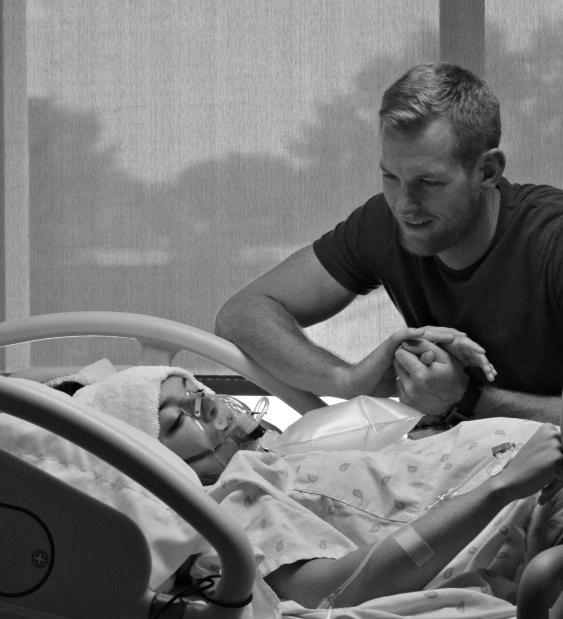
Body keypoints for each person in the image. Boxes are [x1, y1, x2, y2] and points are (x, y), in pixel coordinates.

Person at [55, 361, 563, 613]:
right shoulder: (232, 500)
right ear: (151, 460)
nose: (204, 404)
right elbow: (336, 589)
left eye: (193, 389)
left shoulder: (285, 454)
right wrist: (502, 488)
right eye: (174, 421)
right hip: (526, 503)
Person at [215, 62, 563, 426]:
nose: (405, 205)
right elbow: (241, 314)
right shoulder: (385, 222)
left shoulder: (552, 241)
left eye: (429, 182)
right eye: (391, 177)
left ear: (487, 171)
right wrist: (347, 380)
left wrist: (467, 398)